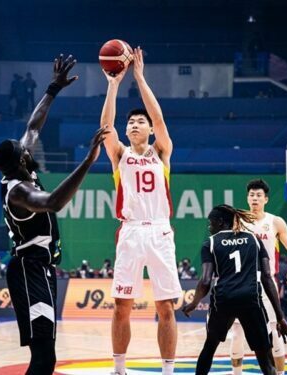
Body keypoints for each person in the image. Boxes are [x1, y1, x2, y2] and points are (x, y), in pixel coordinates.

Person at [0, 54, 107, 375]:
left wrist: (53, 89)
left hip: (41, 270)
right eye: (23, 150)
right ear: (19, 161)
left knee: (46, 359)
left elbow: (33, 125)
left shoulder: (21, 168)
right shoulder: (19, 191)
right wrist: (88, 160)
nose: (28, 146)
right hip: (29, 270)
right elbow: (55, 202)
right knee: (43, 360)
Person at [100, 46, 182, 375]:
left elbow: (159, 117)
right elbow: (106, 127)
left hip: (160, 231)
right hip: (131, 231)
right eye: (130, 122)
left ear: (148, 129)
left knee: (165, 307)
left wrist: (139, 77)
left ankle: (168, 371)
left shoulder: (162, 152)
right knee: (121, 306)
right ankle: (119, 369)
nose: (134, 124)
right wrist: (113, 84)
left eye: (139, 122)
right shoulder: (119, 155)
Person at [183, 205, 287, 375]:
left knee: (209, 347)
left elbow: (205, 281)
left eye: (211, 223)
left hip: (223, 299)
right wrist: (280, 317)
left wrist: (194, 302)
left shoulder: (210, 243)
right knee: (264, 357)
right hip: (250, 299)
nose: (209, 227)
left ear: (220, 222)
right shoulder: (254, 239)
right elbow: (266, 277)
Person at [229, 179, 287, 375]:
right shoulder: (238, 221)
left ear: (266, 199)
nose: (254, 198)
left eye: (259, 195)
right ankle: (237, 373)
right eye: (251, 195)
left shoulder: (275, 222)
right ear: (247, 198)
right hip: (241, 283)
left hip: (267, 282)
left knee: (275, 333)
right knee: (237, 333)